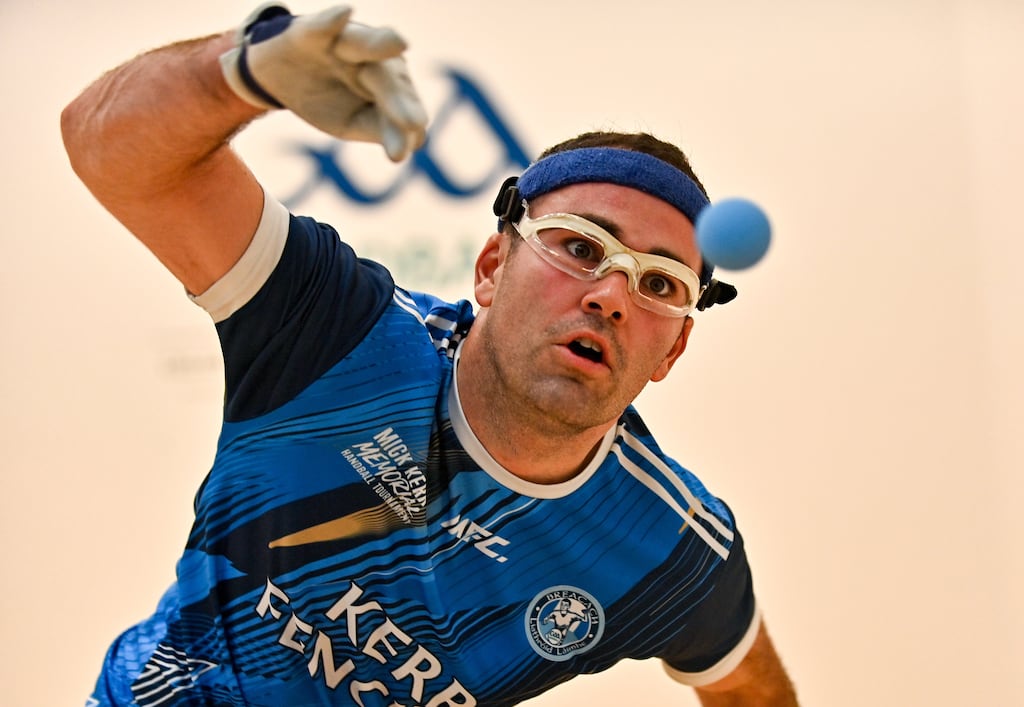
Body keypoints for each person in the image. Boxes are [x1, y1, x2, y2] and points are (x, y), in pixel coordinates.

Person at [62, 5, 798, 706]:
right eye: (581, 246)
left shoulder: (667, 545)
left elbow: (747, 687)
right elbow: (106, 148)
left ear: (674, 347)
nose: (611, 295)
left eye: (659, 284)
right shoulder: (336, 330)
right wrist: (240, 70)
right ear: (491, 267)